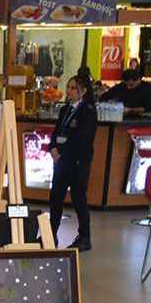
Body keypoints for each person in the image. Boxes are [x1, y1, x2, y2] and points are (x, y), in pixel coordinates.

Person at [50, 74, 97, 251]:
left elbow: (81, 138)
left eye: (72, 88)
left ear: (83, 91)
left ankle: (84, 236)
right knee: (55, 198)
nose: (68, 91)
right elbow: (57, 132)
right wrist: (53, 148)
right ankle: (51, 233)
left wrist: (64, 153)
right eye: (68, 87)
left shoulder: (88, 111)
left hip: (77, 161)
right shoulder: (65, 109)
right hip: (61, 161)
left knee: (79, 199)